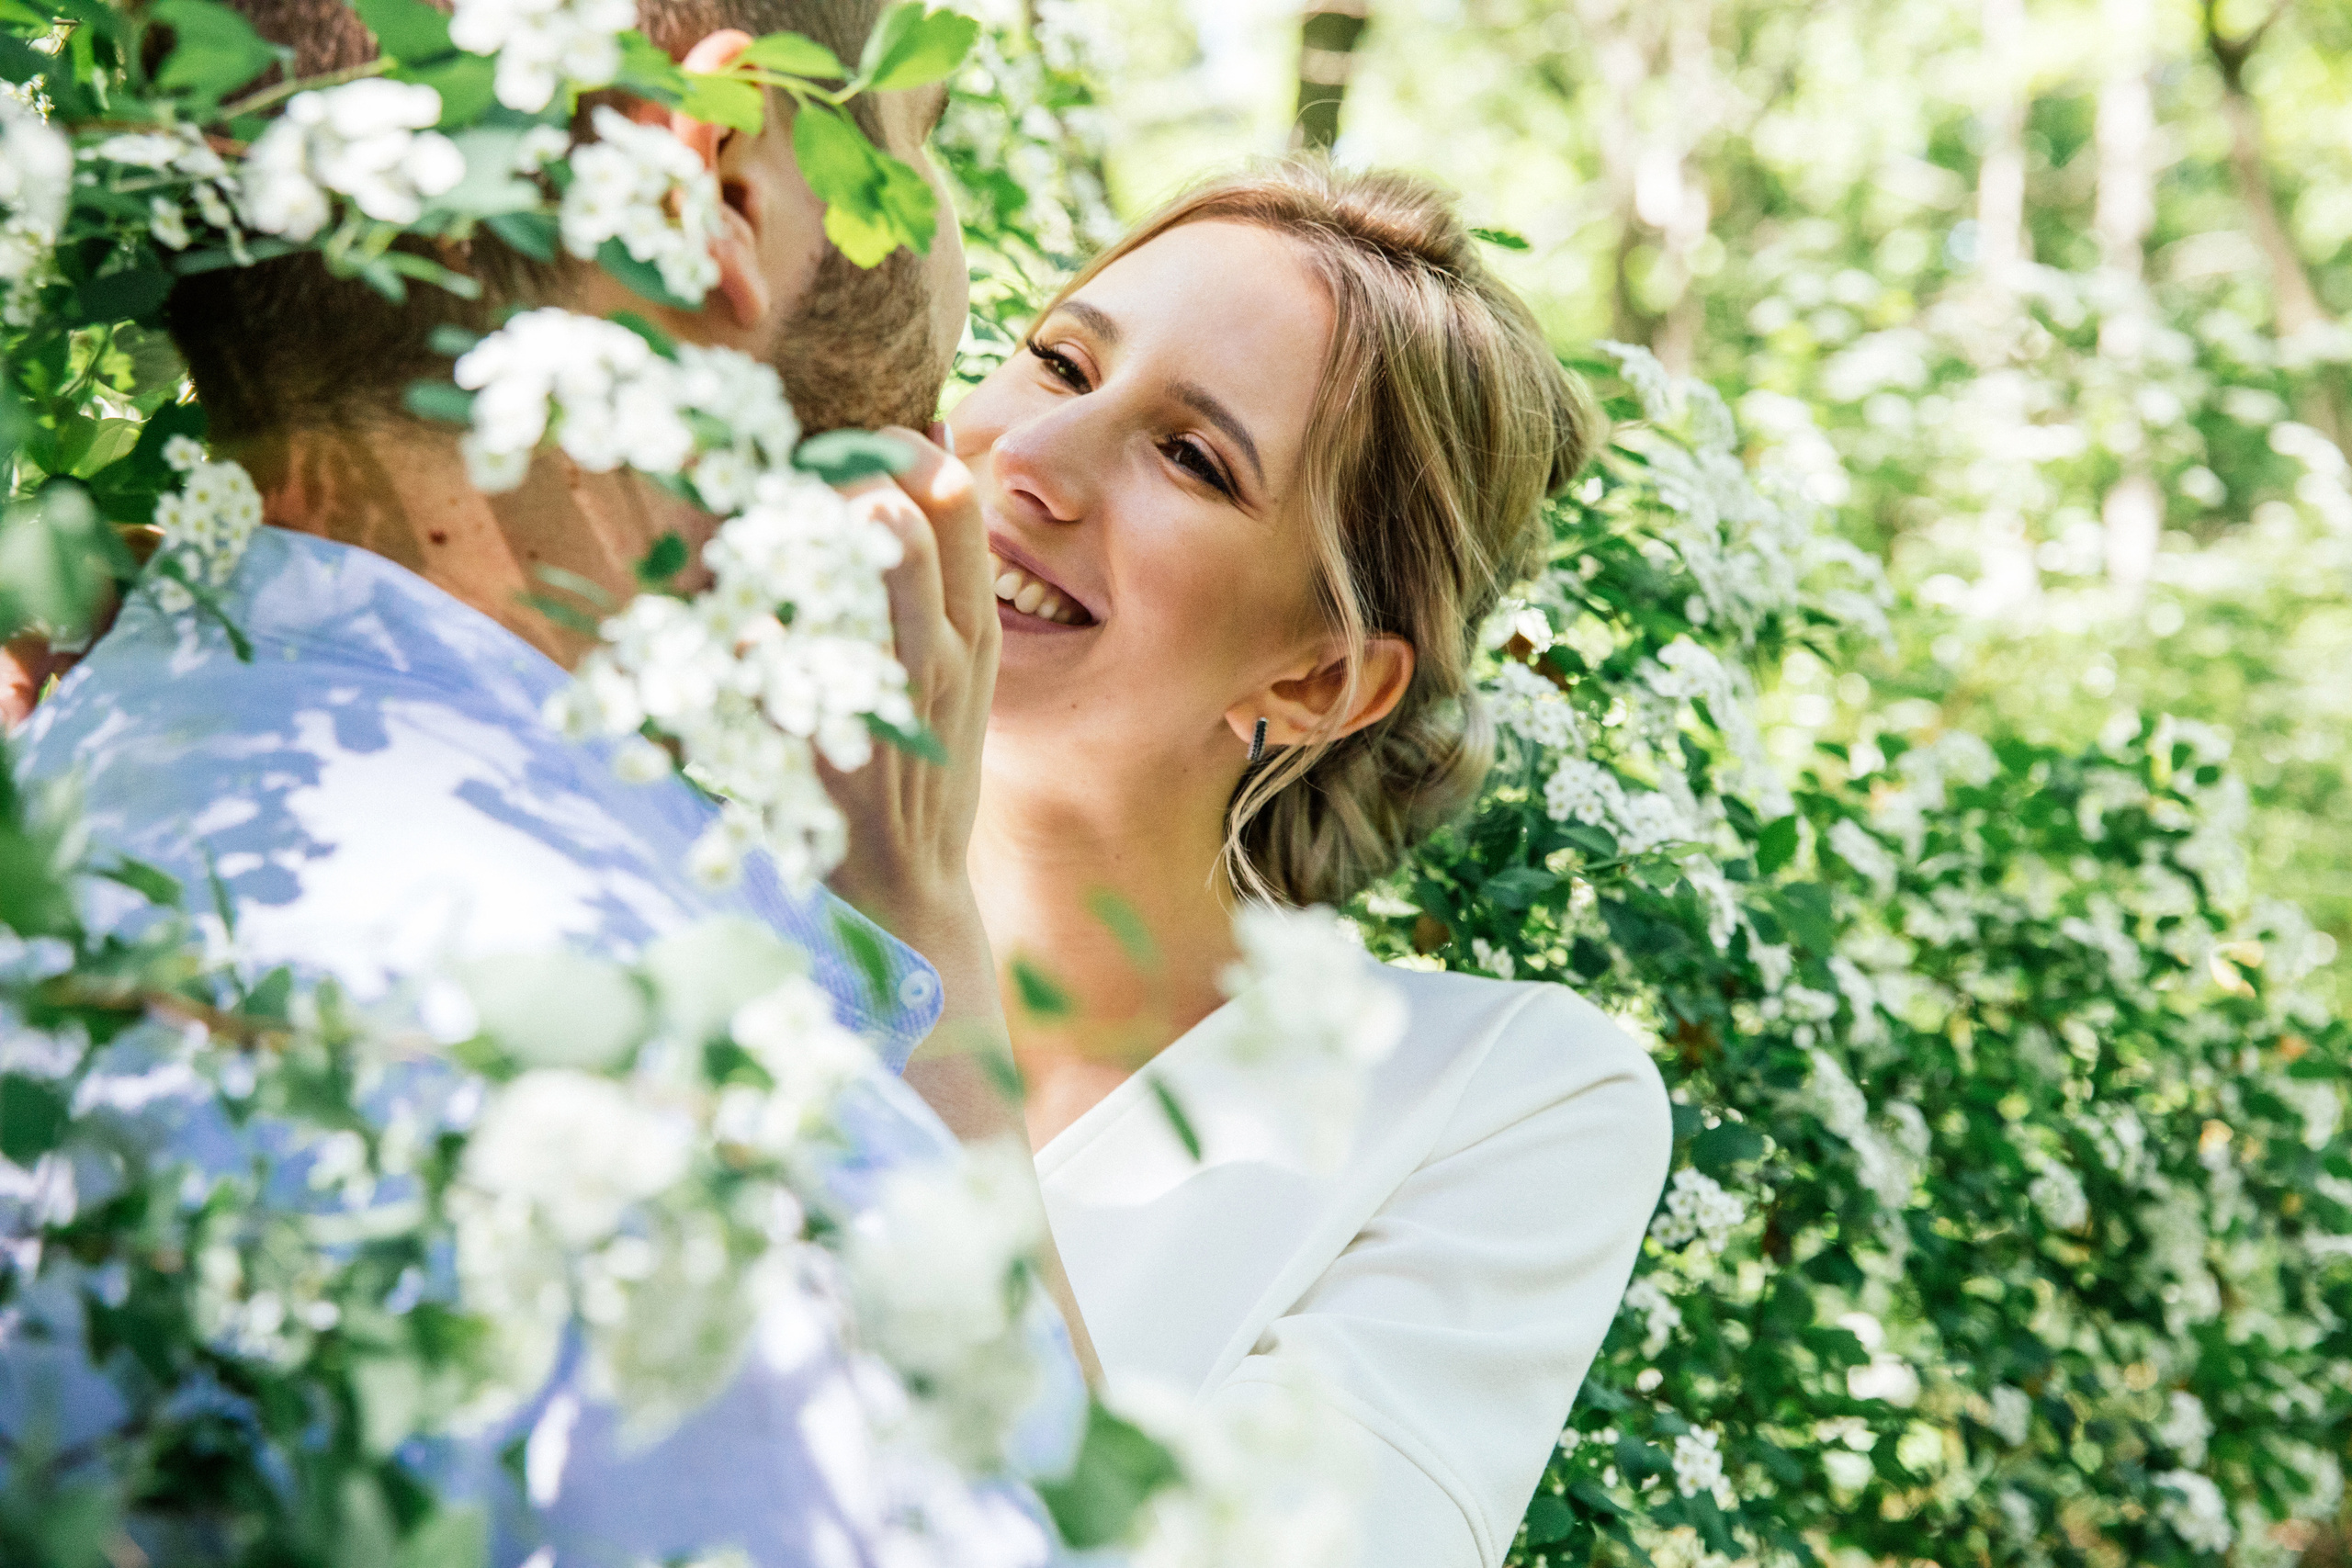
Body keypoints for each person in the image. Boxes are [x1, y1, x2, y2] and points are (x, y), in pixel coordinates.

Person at [7, 1, 1088, 1562]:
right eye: (919, 152)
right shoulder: (678, 1149)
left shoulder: (83, 788)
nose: (962, 276)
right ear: (710, 184)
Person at [951, 159, 1674, 1568]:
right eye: (1056, 362)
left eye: (1193, 458)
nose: (1033, 460)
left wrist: (912, 891)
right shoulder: (657, 877)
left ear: (1322, 677)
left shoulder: (1499, 1098)